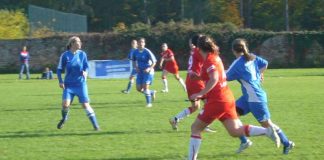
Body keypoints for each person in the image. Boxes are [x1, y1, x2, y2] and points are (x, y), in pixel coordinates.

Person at [187, 35, 281, 160]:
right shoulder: (215, 57)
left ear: (199, 48)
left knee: (195, 128)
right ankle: (267, 131)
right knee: (235, 131)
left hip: (217, 101)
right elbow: (216, 76)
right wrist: (198, 77)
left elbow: (214, 78)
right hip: (226, 99)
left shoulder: (210, 60)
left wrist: (200, 93)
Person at [226, 38, 295, 154]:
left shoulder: (238, 63)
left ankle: (287, 143)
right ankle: (244, 141)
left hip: (256, 98)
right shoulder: (252, 57)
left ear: (233, 50)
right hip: (248, 97)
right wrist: (259, 74)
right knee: (230, 115)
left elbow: (224, 76)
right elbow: (265, 64)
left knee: (268, 125)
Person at [169, 34, 215, 133]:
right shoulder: (199, 51)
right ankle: (204, 125)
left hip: (190, 80)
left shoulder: (194, 51)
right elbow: (209, 61)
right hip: (196, 80)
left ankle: (175, 119)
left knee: (196, 106)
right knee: (208, 103)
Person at [56, 36, 100, 131]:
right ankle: (64, 119)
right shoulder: (65, 55)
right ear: (72, 43)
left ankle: (96, 126)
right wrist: (60, 81)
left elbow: (86, 67)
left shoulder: (82, 54)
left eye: (80, 42)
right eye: (78, 42)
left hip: (80, 84)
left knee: (85, 105)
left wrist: (85, 72)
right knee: (65, 104)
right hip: (69, 85)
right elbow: (59, 69)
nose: (80, 43)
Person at [132, 37, 157, 107]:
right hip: (140, 72)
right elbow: (133, 61)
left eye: (142, 42)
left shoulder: (147, 51)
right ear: (137, 43)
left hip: (148, 72)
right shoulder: (135, 52)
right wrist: (136, 67)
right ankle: (151, 92)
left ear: (144, 43)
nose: (141, 43)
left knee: (145, 87)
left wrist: (149, 68)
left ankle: (149, 103)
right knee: (139, 88)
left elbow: (154, 61)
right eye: (140, 42)